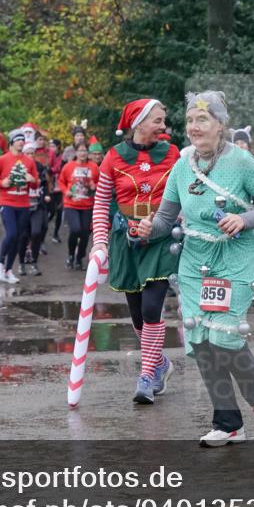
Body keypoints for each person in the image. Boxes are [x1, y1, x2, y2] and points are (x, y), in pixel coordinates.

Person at [137, 91, 254, 447]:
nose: (194, 127)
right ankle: (228, 423)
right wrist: (147, 228)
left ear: (220, 124)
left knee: (225, 336)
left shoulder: (242, 162)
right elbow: (166, 218)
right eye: (189, 120)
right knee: (201, 341)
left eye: (202, 119)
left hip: (234, 258)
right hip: (194, 262)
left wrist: (244, 219)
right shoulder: (182, 166)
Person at [90, 98, 182, 404]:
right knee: (138, 316)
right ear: (138, 123)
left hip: (161, 239)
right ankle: (160, 364)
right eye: (157, 120)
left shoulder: (172, 154)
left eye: (163, 120)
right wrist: (100, 242)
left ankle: (146, 376)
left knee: (152, 308)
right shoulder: (114, 157)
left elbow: (185, 194)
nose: (163, 126)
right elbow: (101, 203)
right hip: (126, 241)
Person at [0, 130, 39, 283]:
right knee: (11, 234)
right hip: (7, 202)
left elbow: (36, 183)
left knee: (19, 238)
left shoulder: (29, 161)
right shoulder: (3, 159)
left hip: (23, 203)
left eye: (23, 140)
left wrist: (32, 180)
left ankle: (8, 270)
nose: (21, 142)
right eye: (18, 140)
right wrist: (2, 183)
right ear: (11, 143)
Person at [58, 141, 99, 271]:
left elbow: (99, 183)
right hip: (71, 203)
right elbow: (61, 181)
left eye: (85, 150)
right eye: (80, 150)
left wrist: (94, 186)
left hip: (87, 204)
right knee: (75, 230)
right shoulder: (69, 166)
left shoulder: (93, 167)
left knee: (85, 233)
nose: (83, 153)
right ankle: (71, 255)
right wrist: (66, 191)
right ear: (76, 152)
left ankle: (79, 258)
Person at [16, 138, 51, 275]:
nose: (30, 155)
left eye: (32, 153)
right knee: (23, 235)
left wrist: (46, 194)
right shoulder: (18, 167)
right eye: (28, 153)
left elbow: (45, 184)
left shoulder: (39, 167)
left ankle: (34, 262)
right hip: (22, 205)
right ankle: (21, 263)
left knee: (36, 233)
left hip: (37, 204)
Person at [48, 138, 65, 243]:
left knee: (59, 211)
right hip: (50, 188)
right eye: (50, 146)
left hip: (60, 187)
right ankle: (42, 229)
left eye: (53, 146)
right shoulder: (47, 156)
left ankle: (55, 233)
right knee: (51, 211)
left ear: (58, 147)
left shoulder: (63, 157)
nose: (51, 148)